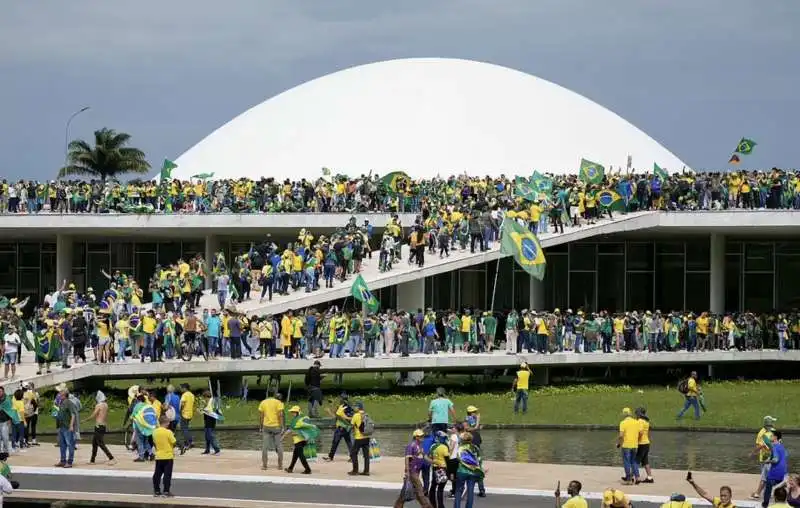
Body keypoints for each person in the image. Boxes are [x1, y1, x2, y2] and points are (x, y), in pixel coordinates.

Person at [395, 429, 434, 508]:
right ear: (416, 437)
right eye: (421, 436)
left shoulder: (420, 446)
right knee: (419, 488)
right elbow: (407, 458)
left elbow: (424, 456)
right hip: (412, 471)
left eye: (423, 436)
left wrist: (434, 462)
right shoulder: (411, 445)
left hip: (417, 471)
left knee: (407, 490)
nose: (423, 437)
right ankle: (427, 506)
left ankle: (398, 505)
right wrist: (407, 471)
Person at [454, 431, 484, 508]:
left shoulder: (460, 448)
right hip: (473, 472)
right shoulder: (475, 448)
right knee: (470, 492)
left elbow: (458, 458)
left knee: (458, 491)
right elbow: (479, 459)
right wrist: (480, 470)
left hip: (462, 471)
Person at [283, 406, 316, 474]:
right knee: (295, 454)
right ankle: (290, 468)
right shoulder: (305, 417)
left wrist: (282, 438)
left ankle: (308, 469)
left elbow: (289, 430)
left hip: (298, 440)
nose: (292, 413)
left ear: (297, 412)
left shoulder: (296, 420)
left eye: (293, 412)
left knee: (301, 456)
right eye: (292, 412)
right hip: (304, 439)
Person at [752, 416, 777, 500]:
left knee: (766, 476)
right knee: (766, 476)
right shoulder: (762, 433)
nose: (774, 424)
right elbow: (760, 446)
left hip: (773, 457)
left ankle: (759, 493)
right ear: (769, 423)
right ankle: (761, 493)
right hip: (765, 458)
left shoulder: (773, 431)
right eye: (772, 422)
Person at [257, 392, 284, 470]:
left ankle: (264, 465)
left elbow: (261, 416)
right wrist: (281, 426)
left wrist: (260, 426)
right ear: (274, 395)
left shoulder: (263, 402)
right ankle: (280, 465)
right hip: (276, 426)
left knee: (265, 447)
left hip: (266, 426)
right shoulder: (278, 402)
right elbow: (280, 415)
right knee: (278, 445)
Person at [86, 390, 115, 465]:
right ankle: (92, 460)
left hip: (98, 426)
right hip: (103, 426)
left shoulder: (98, 405)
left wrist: (85, 420)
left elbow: (94, 415)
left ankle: (111, 458)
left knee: (100, 443)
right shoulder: (106, 405)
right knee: (94, 443)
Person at [324, 392, 353, 462]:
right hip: (339, 428)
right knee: (344, 442)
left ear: (344, 399)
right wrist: (329, 411)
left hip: (343, 428)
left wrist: (344, 417)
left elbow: (351, 418)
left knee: (338, 442)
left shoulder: (348, 407)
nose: (340, 399)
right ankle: (352, 457)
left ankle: (331, 457)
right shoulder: (340, 406)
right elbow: (335, 417)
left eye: (341, 398)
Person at [762, 431, 788, 508]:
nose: (770, 437)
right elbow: (785, 455)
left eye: (771, 436)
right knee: (781, 490)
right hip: (783, 472)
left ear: (775, 437)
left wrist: (768, 461)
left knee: (768, 488)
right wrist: (771, 457)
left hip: (774, 472)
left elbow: (776, 460)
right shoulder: (782, 446)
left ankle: (765, 505)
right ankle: (782, 504)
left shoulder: (775, 447)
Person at [152, 415, 176, 497]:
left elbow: (154, 443)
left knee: (157, 474)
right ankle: (166, 491)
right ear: (165, 423)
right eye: (168, 422)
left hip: (158, 456)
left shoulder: (154, 432)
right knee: (167, 475)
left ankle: (156, 491)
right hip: (168, 456)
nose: (169, 424)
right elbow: (173, 442)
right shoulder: (168, 432)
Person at [54, 383, 77, 468]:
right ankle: (63, 460)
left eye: (60, 393)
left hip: (67, 427)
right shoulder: (61, 402)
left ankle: (69, 462)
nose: (59, 394)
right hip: (62, 426)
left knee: (70, 444)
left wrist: (71, 426)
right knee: (62, 444)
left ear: (64, 393)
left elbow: (73, 414)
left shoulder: (69, 402)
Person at [427, 431, 450, 508]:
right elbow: (447, 459)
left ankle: (432, 504)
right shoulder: (444, 447)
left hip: (434, 467)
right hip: (443, 468)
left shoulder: (432, 446)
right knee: (440, 488)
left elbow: (429, 457)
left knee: (433, 486)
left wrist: (434, 461)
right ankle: (441, 506)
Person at [349, 401, 371, 476]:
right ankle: (366, 471)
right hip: (367, 437)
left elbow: (351, 426)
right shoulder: (366, 414)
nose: (354, 408)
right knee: (366, 455)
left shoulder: (356, 415)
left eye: (355, 406)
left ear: (359, 407)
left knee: (353, 453)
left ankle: (355, 470)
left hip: (359, 438)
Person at [635, 407, 653, 483]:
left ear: (639, 414)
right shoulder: (646, 421)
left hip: (641, 443)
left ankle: (633, 477)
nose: (636, 415)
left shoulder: (640, 421)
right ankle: (650, 478)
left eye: (636, 413)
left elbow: (640, 432)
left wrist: (636, 440)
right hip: (647, 443)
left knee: (635, 461)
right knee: (645, 461)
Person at [178, 384, 194, 453]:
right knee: (186, 429)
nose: (181, 389)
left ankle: (189, 443)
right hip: (190, 414)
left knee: (184, 429)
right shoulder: (191, 395)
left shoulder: (184, 395)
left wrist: (180, 410)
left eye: (181, 388)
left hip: (184, 414)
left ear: (185, 388)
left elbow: (182, 404)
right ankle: (186, 443)